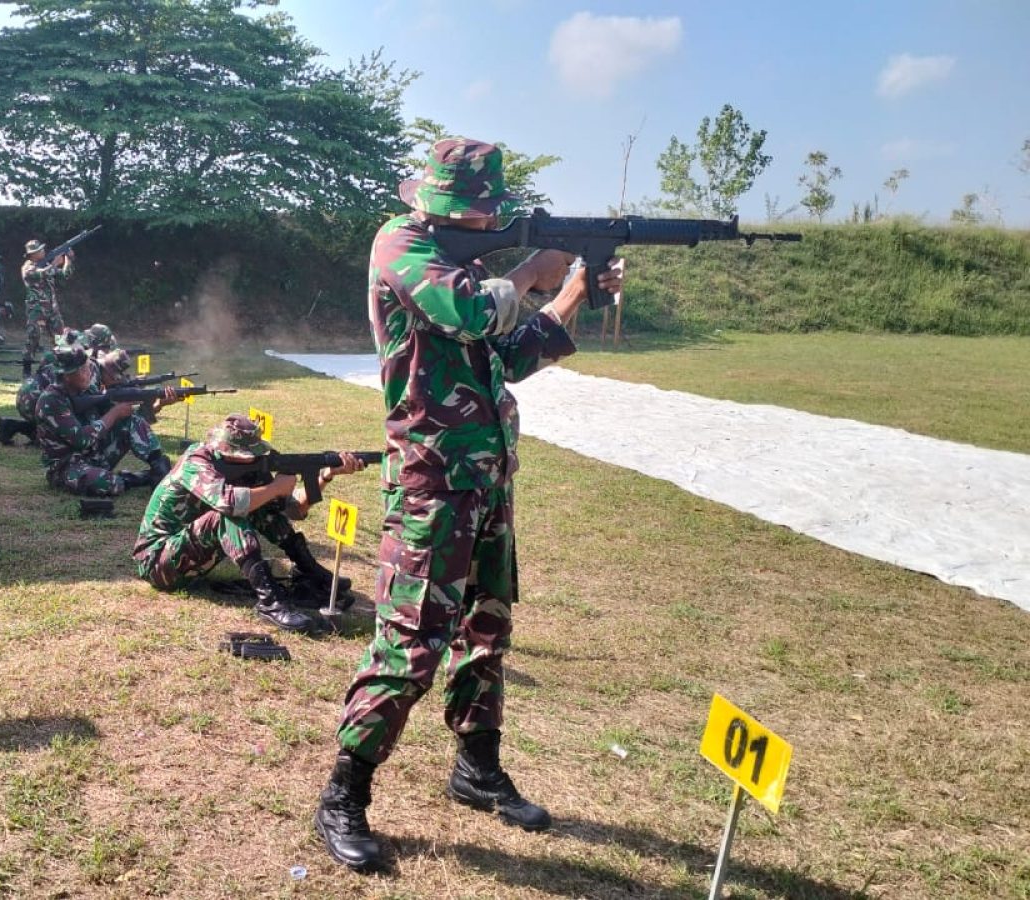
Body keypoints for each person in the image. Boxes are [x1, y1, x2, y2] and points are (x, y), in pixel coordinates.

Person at [312, 137, 626, 873]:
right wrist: (532, 272)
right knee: (413, 639)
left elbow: (508, 353)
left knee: (487, 628)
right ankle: (343, 793)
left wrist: (575, 290)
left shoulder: (468, 263)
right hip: (432, 484)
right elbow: (469, 310)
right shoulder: (404, 245)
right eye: (483, 222)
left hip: (486, 481)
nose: (489, 233)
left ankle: (476, 770)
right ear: (447, 208)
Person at [133, 414, 366, 633]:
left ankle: (311, 572)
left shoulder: (250, 466)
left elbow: (292, 509)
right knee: (226, 514)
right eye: (247, 454)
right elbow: (228, 503)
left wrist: (326, 475)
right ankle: (270, 602)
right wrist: (275, 487)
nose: (254, 458)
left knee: (262, 507)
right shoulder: (197, 461)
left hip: (191, 558)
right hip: (158, 562)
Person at [32, 338, 174, 497]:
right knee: (110, 484)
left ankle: (159, 467)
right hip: (64, 468)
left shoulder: (87, 390)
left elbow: (126, 420)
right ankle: (138, 478)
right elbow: (81, 439)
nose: (88, 374)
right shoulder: (51, 401)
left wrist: (157, 405)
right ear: (67, 376)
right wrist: (115, 413)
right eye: (83, 371)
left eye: (88, 368)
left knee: (132, 420)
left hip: (93, 455)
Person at [20, 238, 72, 358]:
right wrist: (54, 264)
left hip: (52, 310)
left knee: (60, 340)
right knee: (33, 337)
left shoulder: (47, 266)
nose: (43, 251)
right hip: (37, 309)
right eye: (40, 250)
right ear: (33, 254)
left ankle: (63, 370)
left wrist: (68, 259)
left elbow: (65, 275)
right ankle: (27, 370)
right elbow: (36, 274)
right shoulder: (27, 267)